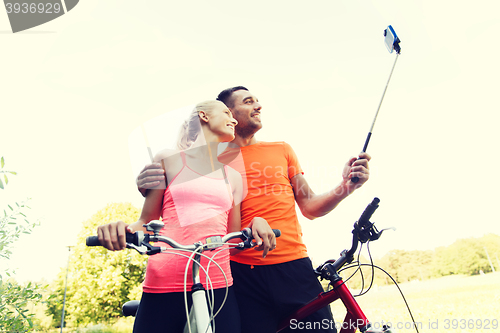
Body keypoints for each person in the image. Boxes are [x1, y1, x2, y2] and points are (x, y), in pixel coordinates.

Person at [136, 87, 371, 333]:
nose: (258, 106)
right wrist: (147, 182)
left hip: (292, 266)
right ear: (230, 113)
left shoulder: (282, 150)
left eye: (257, 101)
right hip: (238, 275)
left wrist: (346, 186)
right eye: (248, 102)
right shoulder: (207, 161)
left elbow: (310, 206)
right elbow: (175, 201)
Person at [96, 100, 276, 333]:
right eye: (226, 113)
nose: (233, 120)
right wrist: (121, 230)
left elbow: (232, 242)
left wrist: (257, 223)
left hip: (217, 282)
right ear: (204, 116)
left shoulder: (233, 177)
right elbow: (145, 220)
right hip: (165, 280)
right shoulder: (168, 158)